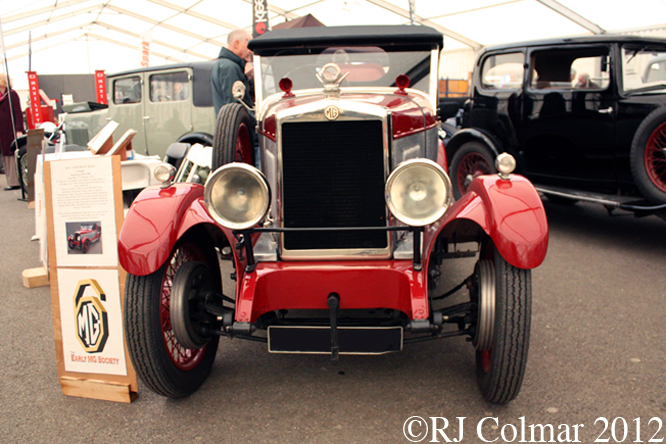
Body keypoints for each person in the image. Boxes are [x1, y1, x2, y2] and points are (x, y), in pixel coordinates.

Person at [211, 29, 254, 115]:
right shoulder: (229, 68)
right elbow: (234, 107)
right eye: (248, 45)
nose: (251, 51)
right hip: (235, 126)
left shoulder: (225, 65)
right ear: (237, 44)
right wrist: (255, 121)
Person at [0, 73, 24, 190]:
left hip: (11, 130)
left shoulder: (12, 94)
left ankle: (15, 182)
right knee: (6, 156)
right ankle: (11, 181)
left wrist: (19, 129)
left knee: (12, 155)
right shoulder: (2, 96)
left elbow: (18, 112)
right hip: (2, 132)